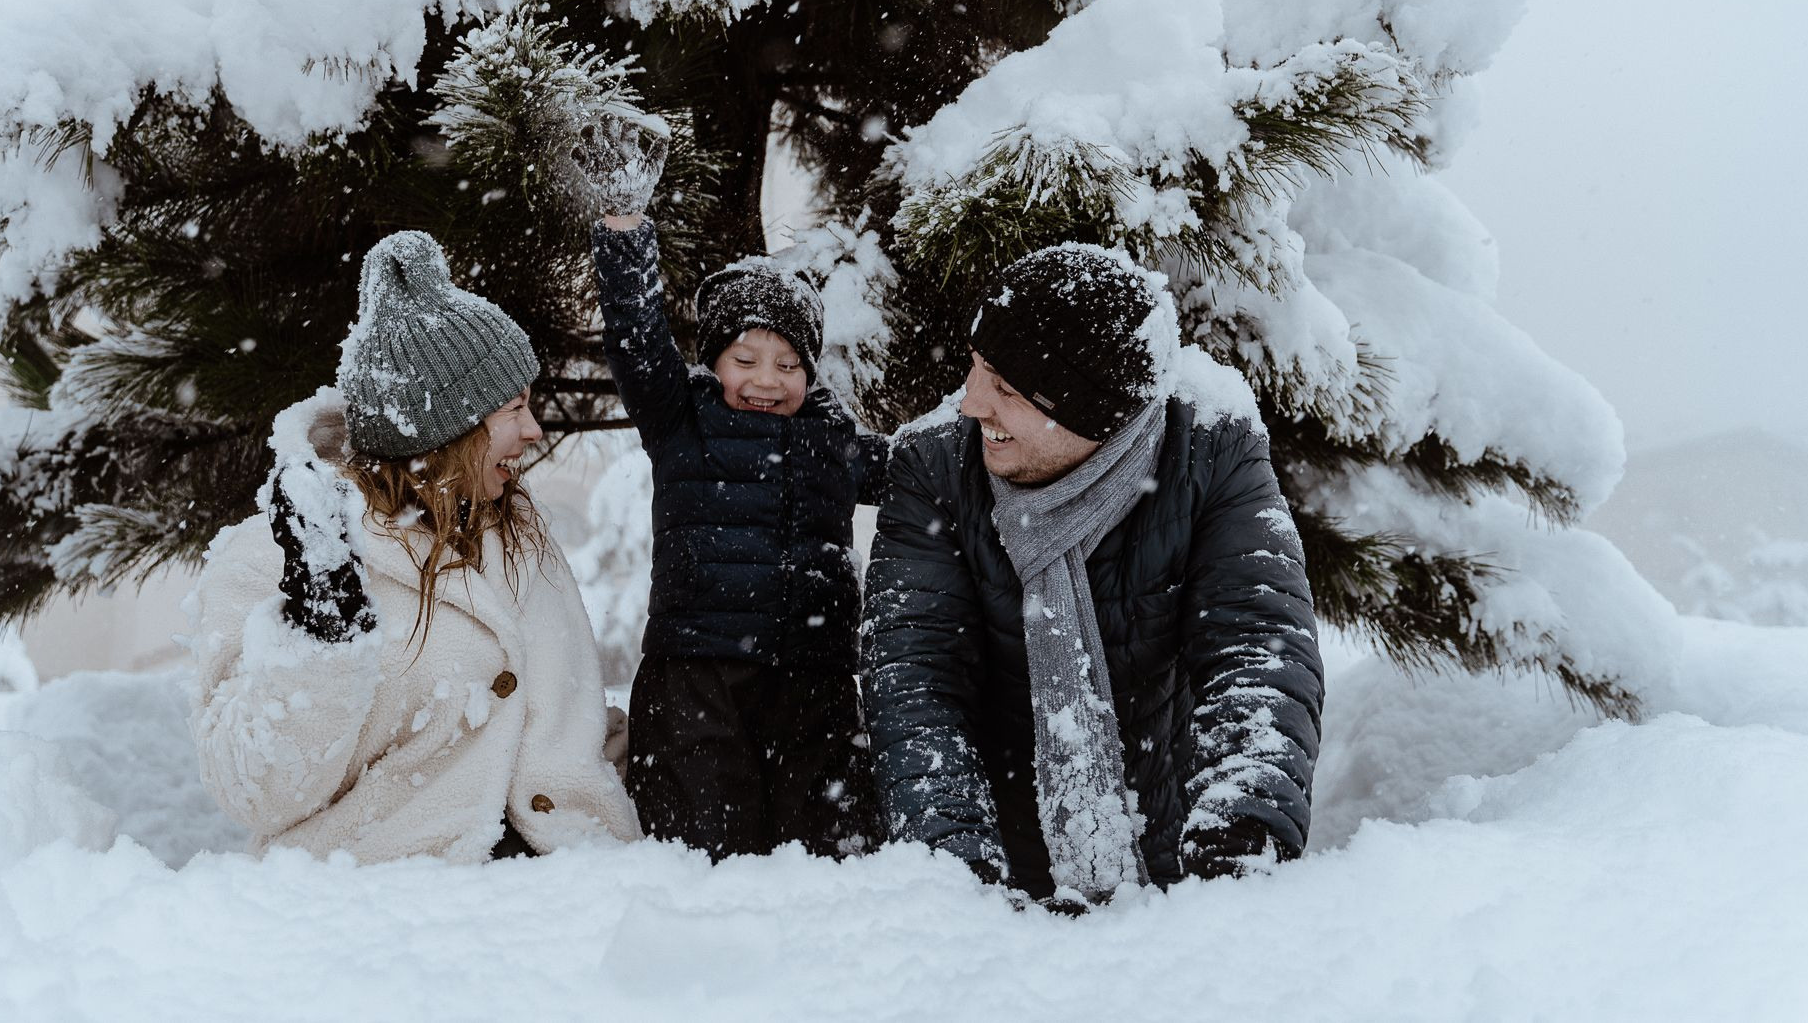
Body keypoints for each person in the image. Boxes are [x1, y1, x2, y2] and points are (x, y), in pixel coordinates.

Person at [862, 243, 1324, 905]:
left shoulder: (1211, 453)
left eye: (1006, 388)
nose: (970, 403)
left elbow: (1258, 650)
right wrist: (959, 879)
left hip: (1166, 869)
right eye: (976, 368)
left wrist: (1235, 857)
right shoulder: (933, 466)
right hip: (992, 880)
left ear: (1091, 415)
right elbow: (915, 680)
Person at [188, 230, 640, 863]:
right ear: (445, 429)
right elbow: (254, 793)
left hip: (567, 882)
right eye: (514, 408)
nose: (535, 432)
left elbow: (555, 724)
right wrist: (321, 641)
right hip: (395, 909)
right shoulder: (276, 556)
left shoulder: (515, 527)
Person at [567, 113, 885, 859]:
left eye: (787, 363)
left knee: (821, 852)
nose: (767, 380)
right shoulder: (684, 417)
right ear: (715, 360)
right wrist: (623, 229)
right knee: (705, 849)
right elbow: (637, 337)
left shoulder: (831, 439)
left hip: (814, 675)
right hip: (698, 673)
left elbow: (918, 474)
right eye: (747, 358)